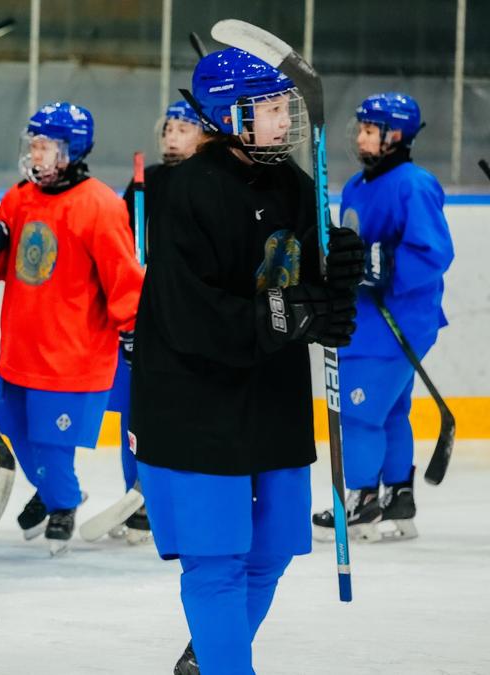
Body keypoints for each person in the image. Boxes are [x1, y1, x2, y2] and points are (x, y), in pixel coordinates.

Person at [129, 48, 364, 674]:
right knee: (218, 559)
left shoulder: (293, 181)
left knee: (273, 550)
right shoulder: (183, 191)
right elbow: (192, 315)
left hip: (272, 396)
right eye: (264, 107)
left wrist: (340, 271)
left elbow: (310, 278)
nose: (281, 119)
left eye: (281, 105)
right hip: (195, 402)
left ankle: (210, 653)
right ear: (228, 115)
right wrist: (301, 314)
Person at [0, 101, 144, 555]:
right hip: (20, 348)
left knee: (51, 442)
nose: (34, 153)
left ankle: (63, 501)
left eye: (44, 146)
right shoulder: (18, 198)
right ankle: (56, 493)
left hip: (72, 352)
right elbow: (2, 268)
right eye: (32, 144)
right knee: (17, 433)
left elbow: (122, 274)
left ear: (70, 151)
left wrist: (132, 326)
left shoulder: (100, 205)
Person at [312, 92, 453, 543]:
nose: (360, 136)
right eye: (360, 128)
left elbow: (433, 253)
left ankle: (362, 499)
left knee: (358, 416)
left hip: (397, 322)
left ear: (395, 136)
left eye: (369, 130)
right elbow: (353, 246)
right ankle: (398, 497)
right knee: (391, 412)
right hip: (368, 320)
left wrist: (385, 265)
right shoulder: (357, 186)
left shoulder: (414, 184)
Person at [107, 99, 205, 544]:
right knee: (136, 409)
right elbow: (123, 246)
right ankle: (140, 497)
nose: (172, 136)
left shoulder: (212, 183)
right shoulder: (147, 181)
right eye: (169, 128)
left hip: (193, 319)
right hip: (146, 315)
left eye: (183, 129)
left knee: (187, 411)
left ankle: (184, 498)